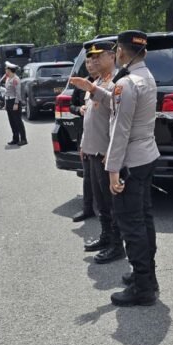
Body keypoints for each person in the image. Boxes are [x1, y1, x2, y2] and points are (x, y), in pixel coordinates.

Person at [70, 30, 160, 307]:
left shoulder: (128, 83)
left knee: (131, 224)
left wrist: (112, 169)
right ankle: (147, 277)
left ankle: (143, 287)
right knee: (144, 219)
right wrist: (95, 90)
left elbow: (120, 129)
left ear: (120, 52)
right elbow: (120, 107)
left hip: (130, 161)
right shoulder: (144, 77)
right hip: (146, 155)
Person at [77, 40, 124, 264]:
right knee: (101, 201)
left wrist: (111, 150)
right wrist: (84, 145)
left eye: (98, 57)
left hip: (106, 152)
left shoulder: (116, 82)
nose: (94, 61)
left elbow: (118, 121)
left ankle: (117, 246)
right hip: (93, 151)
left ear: (111, 56)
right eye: (92, 58)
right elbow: (90, 117)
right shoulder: (96, 81)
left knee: (112, 203)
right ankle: (106, 237)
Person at [69, 56, 96, 223]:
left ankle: (106, 210)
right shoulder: (81, 84)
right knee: (88, 174)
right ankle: (87, 208)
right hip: (85, 134)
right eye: (87, 62)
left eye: (93, 61)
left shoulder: (109, 81)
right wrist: (79, 109)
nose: (90, 65)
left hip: (104, 135)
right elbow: (71, 106)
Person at [3, 62, 27, 146]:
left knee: (18, 121)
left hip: (14, 101)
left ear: (9, 70)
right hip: (9, 101)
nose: (5, 70)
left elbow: (18, 93)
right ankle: (15, 138)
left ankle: (23, 139)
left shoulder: (15, 79)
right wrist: (6, 103)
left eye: (6, 69)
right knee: (12, 121)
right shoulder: (8, 78)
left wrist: (16, 103)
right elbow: (7, 92)